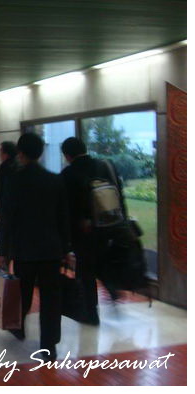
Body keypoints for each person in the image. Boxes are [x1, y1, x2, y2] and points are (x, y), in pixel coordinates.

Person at [0, 132, 70, 362]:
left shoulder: (14, 181)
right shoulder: (55, 180)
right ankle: (49, 345)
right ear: (41, 152)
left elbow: (8, 219)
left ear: (20, 153)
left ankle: (18, 327)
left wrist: (3, 252)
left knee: (23, 293)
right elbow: (63, 218)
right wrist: (66, 249)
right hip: (51, 250)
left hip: (24, 249)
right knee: (51, 298)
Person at [60, 137, 126, 324]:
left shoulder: (68, 174)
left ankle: (91, 313)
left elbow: (67, 208)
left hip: (83, 232)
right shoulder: (104, 165)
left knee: (85, 271)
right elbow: (118, 192)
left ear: (67, 155)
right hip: (108, 226)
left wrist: (66, 240)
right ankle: (111, 288)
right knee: (102, 261)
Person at [0, 141, 17, 222]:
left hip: (7, 206)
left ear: (6, 154)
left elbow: (1, 189)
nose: (0, 155)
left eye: (1, 152)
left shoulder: (5, 167)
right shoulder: (19, 165)